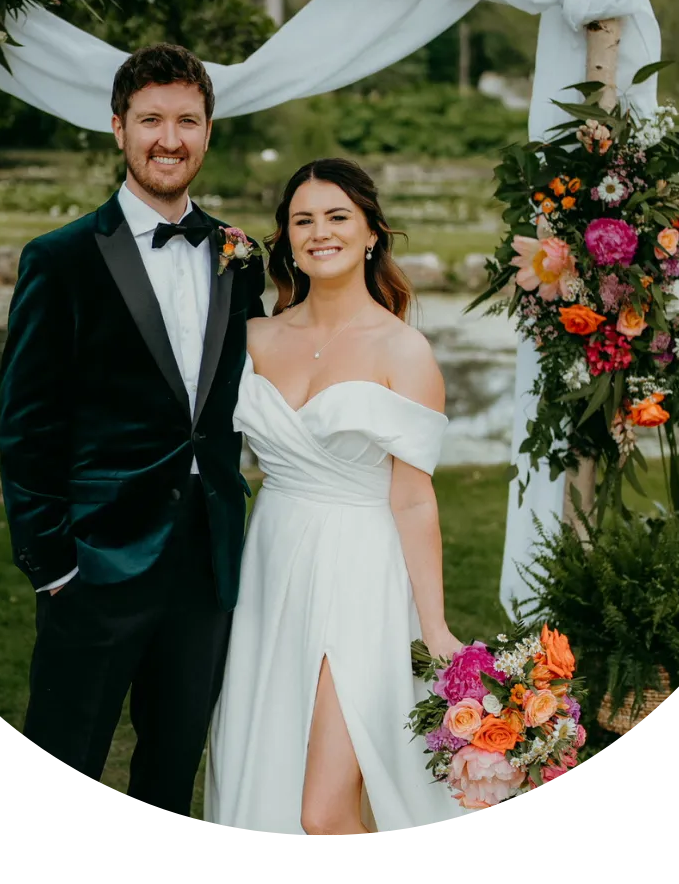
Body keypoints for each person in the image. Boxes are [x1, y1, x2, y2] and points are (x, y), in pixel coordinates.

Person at [0, 43, 266, 822]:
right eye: (151, 120)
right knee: (65, 749)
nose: (169, 139)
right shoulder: (61, 259)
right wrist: (52, 566)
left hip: (205, 570)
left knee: (172, 769)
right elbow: (26, 424)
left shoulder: (238, 257)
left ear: (209, 132)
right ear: (118, 128)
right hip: (94, 564)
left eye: (187, 120)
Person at [204, 158, 479, 835]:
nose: (318, 232)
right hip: (270, 567)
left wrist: (434, 624)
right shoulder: (250, 338)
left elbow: (414, 500)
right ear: (286, 239)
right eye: (303, 220)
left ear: (370, 234)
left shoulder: (403, 350)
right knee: (262, 769)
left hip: (361, 572)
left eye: (336, 218)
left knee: (324, 812)